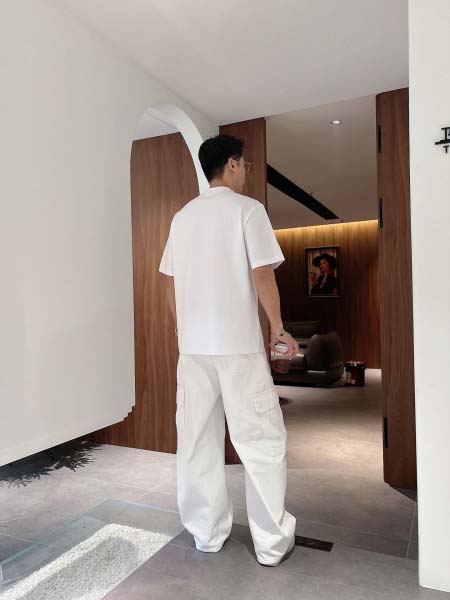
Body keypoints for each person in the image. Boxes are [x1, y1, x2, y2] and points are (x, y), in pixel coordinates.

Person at [158, 134, 299, 567]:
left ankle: (207, 534)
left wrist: (183, 329)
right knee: (260, 441)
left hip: (194, 351)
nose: (247, 172)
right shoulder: (247, 210)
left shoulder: (182, 217)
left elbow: (170, 282)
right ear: (233, 164)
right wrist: (278, 328)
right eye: (246, 165)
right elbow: (262, 274)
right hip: (238, 348)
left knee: (196, 441)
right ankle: (271, 544)